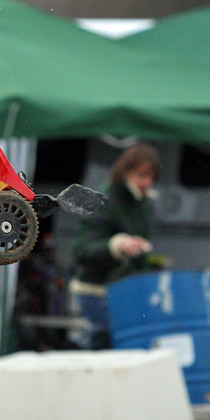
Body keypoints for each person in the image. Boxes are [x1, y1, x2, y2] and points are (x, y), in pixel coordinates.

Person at [70, 143, 161, 349]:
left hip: (125, 291)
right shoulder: (105, 199)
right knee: (113, 348)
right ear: (126, 171)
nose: (147, 182)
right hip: (97, 291)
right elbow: (81, 249)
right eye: (142, 175)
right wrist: (118, 246)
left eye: (152, 177)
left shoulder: (143, 202)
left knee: (121, 349)